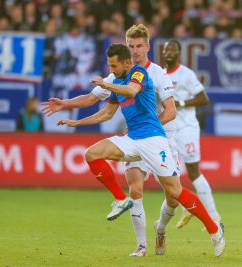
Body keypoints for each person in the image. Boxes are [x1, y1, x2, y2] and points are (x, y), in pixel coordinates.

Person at [57, 43, 225, 257]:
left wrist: (107, 86)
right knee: (92, 154)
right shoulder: (116, 81)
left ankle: (214, 230)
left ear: (126, 63)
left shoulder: (139, 72)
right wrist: (77, 123)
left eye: (114, 66)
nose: (111, 70)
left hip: (154, 139)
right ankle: (121, 200)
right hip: (132, 138)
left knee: (175, 192)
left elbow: (132, 90)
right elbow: (107, 114)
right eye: (109, 66)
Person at [42, 24, 177, 256]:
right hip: (135, 137)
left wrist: (146, 129)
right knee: (135, 189)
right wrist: (65, 104)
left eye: (139, 46)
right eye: (131, 46)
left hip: (157, 139)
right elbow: (92, 98)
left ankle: (162, 228)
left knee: (173, 197)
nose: (135, 51)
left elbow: (170, 111)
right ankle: (141, 246)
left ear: (147, 47)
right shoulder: (118, 75)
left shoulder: (157, 73)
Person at [162, 39, 221, 229]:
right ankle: (187, 207)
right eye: (166, 49)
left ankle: (214, 217)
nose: (169, 52)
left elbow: (204, 99)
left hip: (186, 128)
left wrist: (182, 103)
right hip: (168, 130)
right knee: (171, 173)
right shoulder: (160, 75)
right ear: (163, 53)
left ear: (178, 53)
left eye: (173, 49)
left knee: (194, 172)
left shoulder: (186, 74)